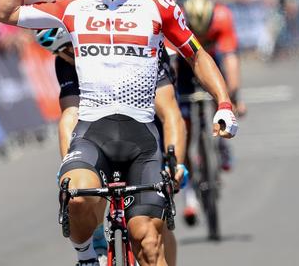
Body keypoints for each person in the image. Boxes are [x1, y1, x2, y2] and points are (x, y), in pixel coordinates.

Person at [0, 0, 237, 266]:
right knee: (77, 198)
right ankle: (86, 257)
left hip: (143, 140)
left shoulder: (159, 6)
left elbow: (196, 55)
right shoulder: (73, 9)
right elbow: (7, 11)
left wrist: (225, 103)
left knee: (150, 244)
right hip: (93, 132)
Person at [36, 27, 186, 266]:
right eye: (58, 52)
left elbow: (170, 114)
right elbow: (70, 115)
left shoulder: (140, 53)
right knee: (89, 186)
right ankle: (95, 239)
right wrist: (68, 163)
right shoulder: (65, 62)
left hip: (148, 132)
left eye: (67, 48)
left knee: (154, 233)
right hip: (99, 136)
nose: (66, 56)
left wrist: (176, 162)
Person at [178, 0, 244, 225]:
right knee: (182, 129)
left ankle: (222, 144)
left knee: (223, 94)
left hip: (212, 61)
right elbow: (169, 67)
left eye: (206, 31)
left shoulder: (223, 18)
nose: (204, 36)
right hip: (184, 64)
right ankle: (189, 197)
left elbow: (231, 60)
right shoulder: (178, 20)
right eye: (199, 32)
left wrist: (233, 97)